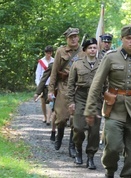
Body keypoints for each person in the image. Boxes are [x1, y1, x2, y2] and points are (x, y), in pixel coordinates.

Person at [84, 25, 131, 178]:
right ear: (122, 39)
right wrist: (90, 110)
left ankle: (128, 175)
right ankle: (109, 170)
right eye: (128, 38)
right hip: (114, 110)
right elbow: (97, 84)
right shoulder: (110, 57)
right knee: (113, 147)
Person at [67, 37, 104, 168]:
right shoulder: (77, 64)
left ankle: (90, 157)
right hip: (80, 98)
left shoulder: (102, 64)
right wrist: (71, 101)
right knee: (78, 127)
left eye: (94, 47)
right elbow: (70, 84)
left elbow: (107, 83)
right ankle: (78, 150)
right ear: (85, 50)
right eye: (90, 48)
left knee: (94, 131)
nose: (93, 50)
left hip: (96, 100)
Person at [48, 27, 82, 156]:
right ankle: (59, 136)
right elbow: (54, 72)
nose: (73, 39)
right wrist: (51, 90)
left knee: (75, 121)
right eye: (70, 37)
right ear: (67, 39)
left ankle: (71, 146)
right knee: (61, 118)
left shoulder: (83, 51)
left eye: (75, 36)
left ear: (78, 37)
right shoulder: (60, 51)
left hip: (77, 88)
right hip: (63, 87)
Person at [34, 45, 54, 125]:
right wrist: (39, 85)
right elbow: (38, 74)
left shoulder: (54, 61)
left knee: (49, 101)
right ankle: (45, 116)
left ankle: (49, 119)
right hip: (43, 84)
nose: (48, 54)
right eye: (47, 53)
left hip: (51, 84)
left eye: (50, 53)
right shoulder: (41, 62)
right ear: (45, 53)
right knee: (43, 101)